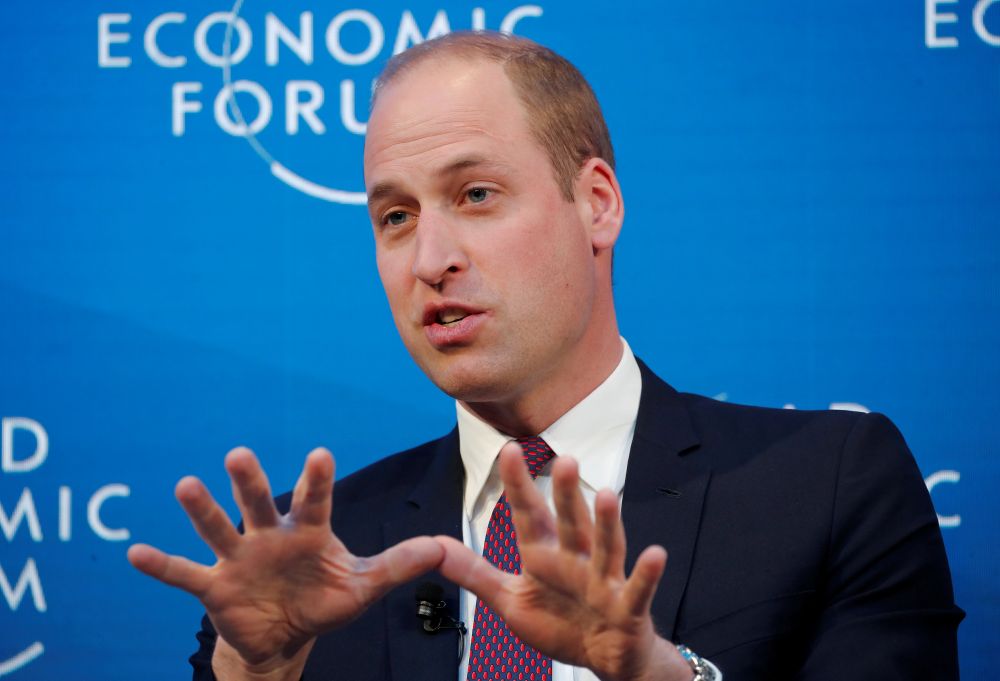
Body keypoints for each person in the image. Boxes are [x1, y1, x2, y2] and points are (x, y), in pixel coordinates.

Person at [127, 32, 963, 681]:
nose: (429, 259)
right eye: (395, 217)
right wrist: (258, 669)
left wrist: (654, 671)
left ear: (595, 205)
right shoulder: (311, 554)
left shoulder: (826, 483)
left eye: (475, 195)